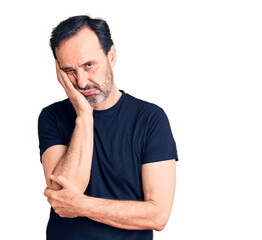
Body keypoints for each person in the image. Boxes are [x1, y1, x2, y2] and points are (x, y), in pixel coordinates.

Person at [38, 15, 178, 240]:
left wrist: (82, 205)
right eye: (69, 71)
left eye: (89, 65)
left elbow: (158, 215)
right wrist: (84, 115)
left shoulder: (151, 119)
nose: (82, 82)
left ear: (111, 55)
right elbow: (63, 199)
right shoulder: (52, 117)